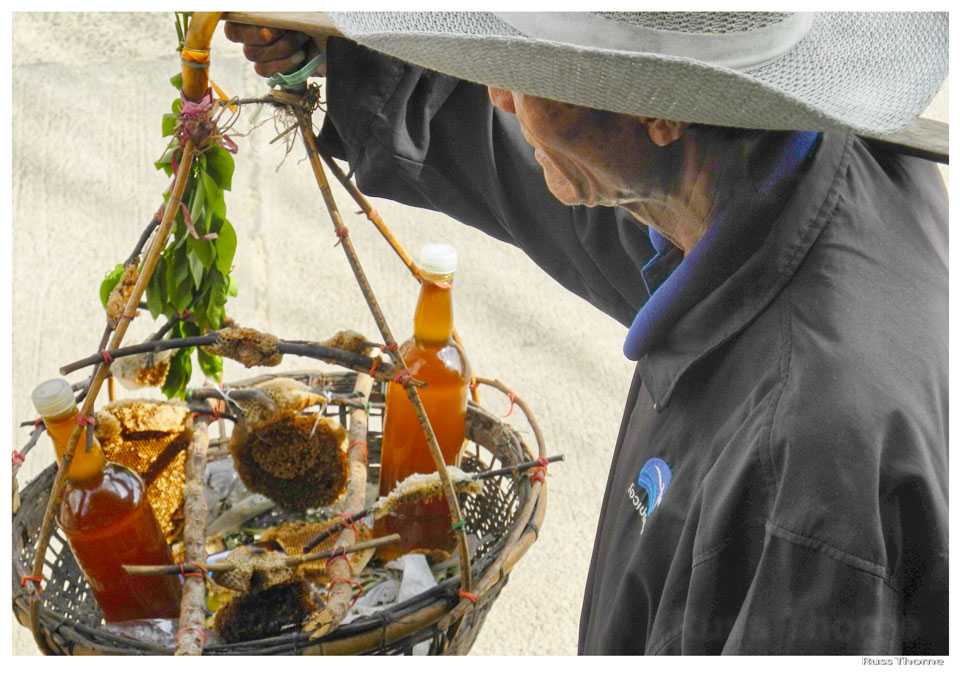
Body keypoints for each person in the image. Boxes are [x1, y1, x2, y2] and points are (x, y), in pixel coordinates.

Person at [225, 12, 948, 654]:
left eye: (528, 73)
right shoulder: (759, 164)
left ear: (658, 110)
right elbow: (537, 176)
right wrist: (348, 63)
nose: (500, 95)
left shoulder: (806, 478)